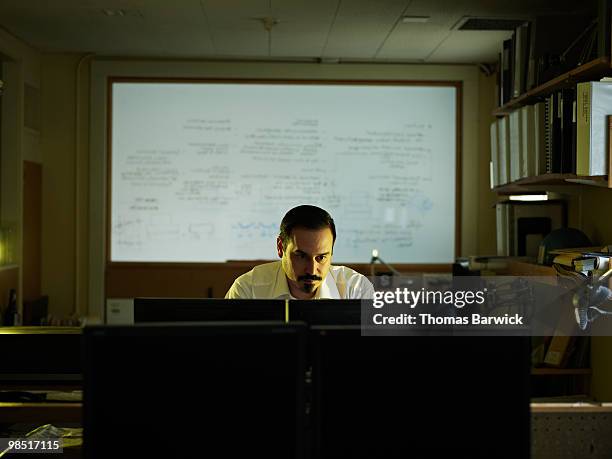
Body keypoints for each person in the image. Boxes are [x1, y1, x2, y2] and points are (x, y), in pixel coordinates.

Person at [225, 205, 374, 299]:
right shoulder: (248, 289)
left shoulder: (356, 289)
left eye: (321, 257)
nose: (311, 269)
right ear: (280, 247)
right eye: (301, 256)